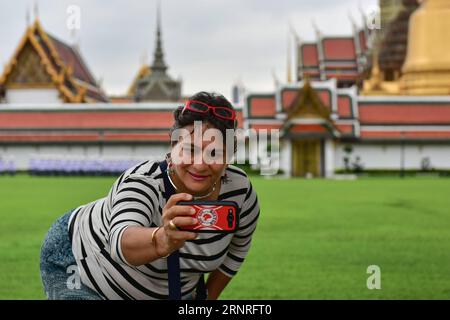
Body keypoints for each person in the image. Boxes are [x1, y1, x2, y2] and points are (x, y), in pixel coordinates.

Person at [40, 91, 260, 300]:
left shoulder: (240, 193)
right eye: (190, 150)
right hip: (80, 259)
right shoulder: (144, 181)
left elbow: (237, 250)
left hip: (164, 286)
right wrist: (162, 239)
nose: (200, 164)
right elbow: (120, 241)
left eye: (215, 153)